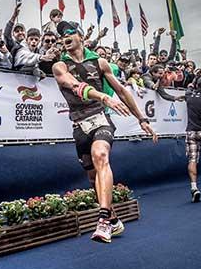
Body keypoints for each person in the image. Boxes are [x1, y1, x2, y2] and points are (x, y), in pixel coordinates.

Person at [52, 20, 158, 243]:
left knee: (101, 156)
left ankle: (102, 221)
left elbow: (121, 90)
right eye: (61, 35)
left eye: (69, 32)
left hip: (101, 118)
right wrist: (102, 95)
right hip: (79, 125)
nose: (65, 36)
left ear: (80, 36)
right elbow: (71, 84)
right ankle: (114, 219)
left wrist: (142, 119)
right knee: (93, 179)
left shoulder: (100, 62)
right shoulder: (59, 66)